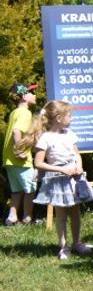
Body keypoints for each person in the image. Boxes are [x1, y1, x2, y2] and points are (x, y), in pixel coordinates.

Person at [30, 100, 93, 259]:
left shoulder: (70, 134)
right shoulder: (45, 138)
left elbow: (76, 154)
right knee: (62, 215)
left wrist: (79, 166)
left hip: (74, 179)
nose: (71, 118)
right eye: (69, 116)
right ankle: (63, 247)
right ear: (59, 118)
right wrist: (61, 169)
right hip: (58, 180)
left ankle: (77, 242)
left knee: (76, 213)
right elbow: (38, 163)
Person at [4, 83, 37, 225]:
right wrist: (19, 151)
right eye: (31, 92)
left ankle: (12, 217)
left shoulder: (14, 112)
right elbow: (16, 131)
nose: (34, 95)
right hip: (20, 159)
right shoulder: (25, 113)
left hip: (9, 159)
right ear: (23, 97)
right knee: (30, 189)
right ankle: (27, 218)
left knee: (17, 191)